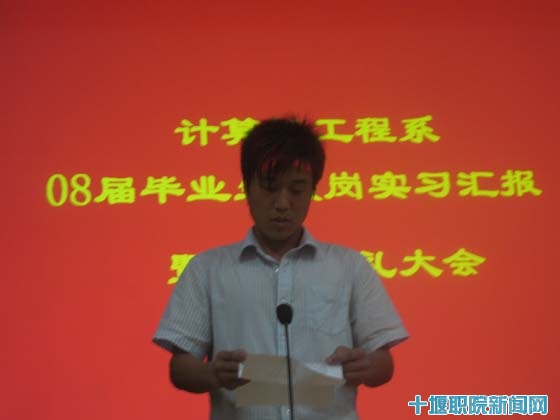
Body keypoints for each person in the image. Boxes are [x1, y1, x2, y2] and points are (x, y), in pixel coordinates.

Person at [153, 117, 408, 419]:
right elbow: (180, 368)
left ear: (314, 190)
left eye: (297, 190)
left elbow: (384, 364)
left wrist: (366, 365)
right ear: (246, 188)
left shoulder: (350, 267)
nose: (283, 203)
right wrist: (212, 374)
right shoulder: (207, 270)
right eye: (270, 188)